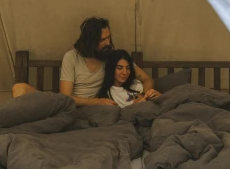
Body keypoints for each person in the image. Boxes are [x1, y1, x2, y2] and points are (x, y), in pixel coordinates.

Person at [11, 17, 156, 106]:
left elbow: (145, 78)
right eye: (102, 40)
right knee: (19, 88)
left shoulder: (112, 56)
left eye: (109, 38)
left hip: (86, 112)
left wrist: (144, 95)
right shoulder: (72, 57)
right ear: (91, 41)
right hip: (66, 105)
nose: (108, 43)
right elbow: (65, 98)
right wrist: (97, 102)